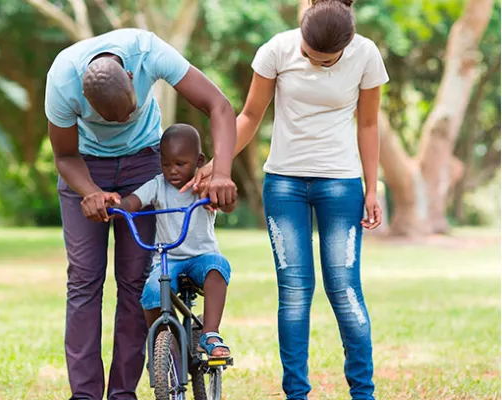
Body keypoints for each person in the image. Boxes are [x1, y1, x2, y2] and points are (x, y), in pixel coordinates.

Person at [183, 0, 388, 398]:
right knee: (294, 292)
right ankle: (297, 393)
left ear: (347, 43)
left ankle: (363, 393)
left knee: (344, 289)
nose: (319, 64)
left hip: (340, 183)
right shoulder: (277, 50)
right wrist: (219, 164)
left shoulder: (366, 54)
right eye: (311, 57)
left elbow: (368, 123)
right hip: (284, 185)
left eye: (329, 61)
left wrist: (372, 188)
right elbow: (250, 116)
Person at [44, 28, 238, 400]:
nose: (121, 123)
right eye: (109, 118)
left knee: (137, 281)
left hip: (146, 165)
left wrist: (223, 171)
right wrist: (92, 193)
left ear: (133, 77)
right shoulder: (62, 79)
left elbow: (220, 106)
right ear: (82, 98)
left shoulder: (148, 51)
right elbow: (65, 156)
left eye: (128, 112)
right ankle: (84, 394)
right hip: (84, 166)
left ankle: (123, 393)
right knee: (84, 281)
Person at [112, 124, 234, 358]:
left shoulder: (203, 187)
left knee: (218, 267)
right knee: (151, 293)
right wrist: (117, 207)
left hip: (202, 256)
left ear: (198, 160)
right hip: (168, 259)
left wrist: (226, 197)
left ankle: (210, 333)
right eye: (166, 164)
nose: (172, 171)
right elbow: (133, 202)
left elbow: (227, 205)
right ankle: (167, 347)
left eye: (180, 164)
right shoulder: (157, 185)